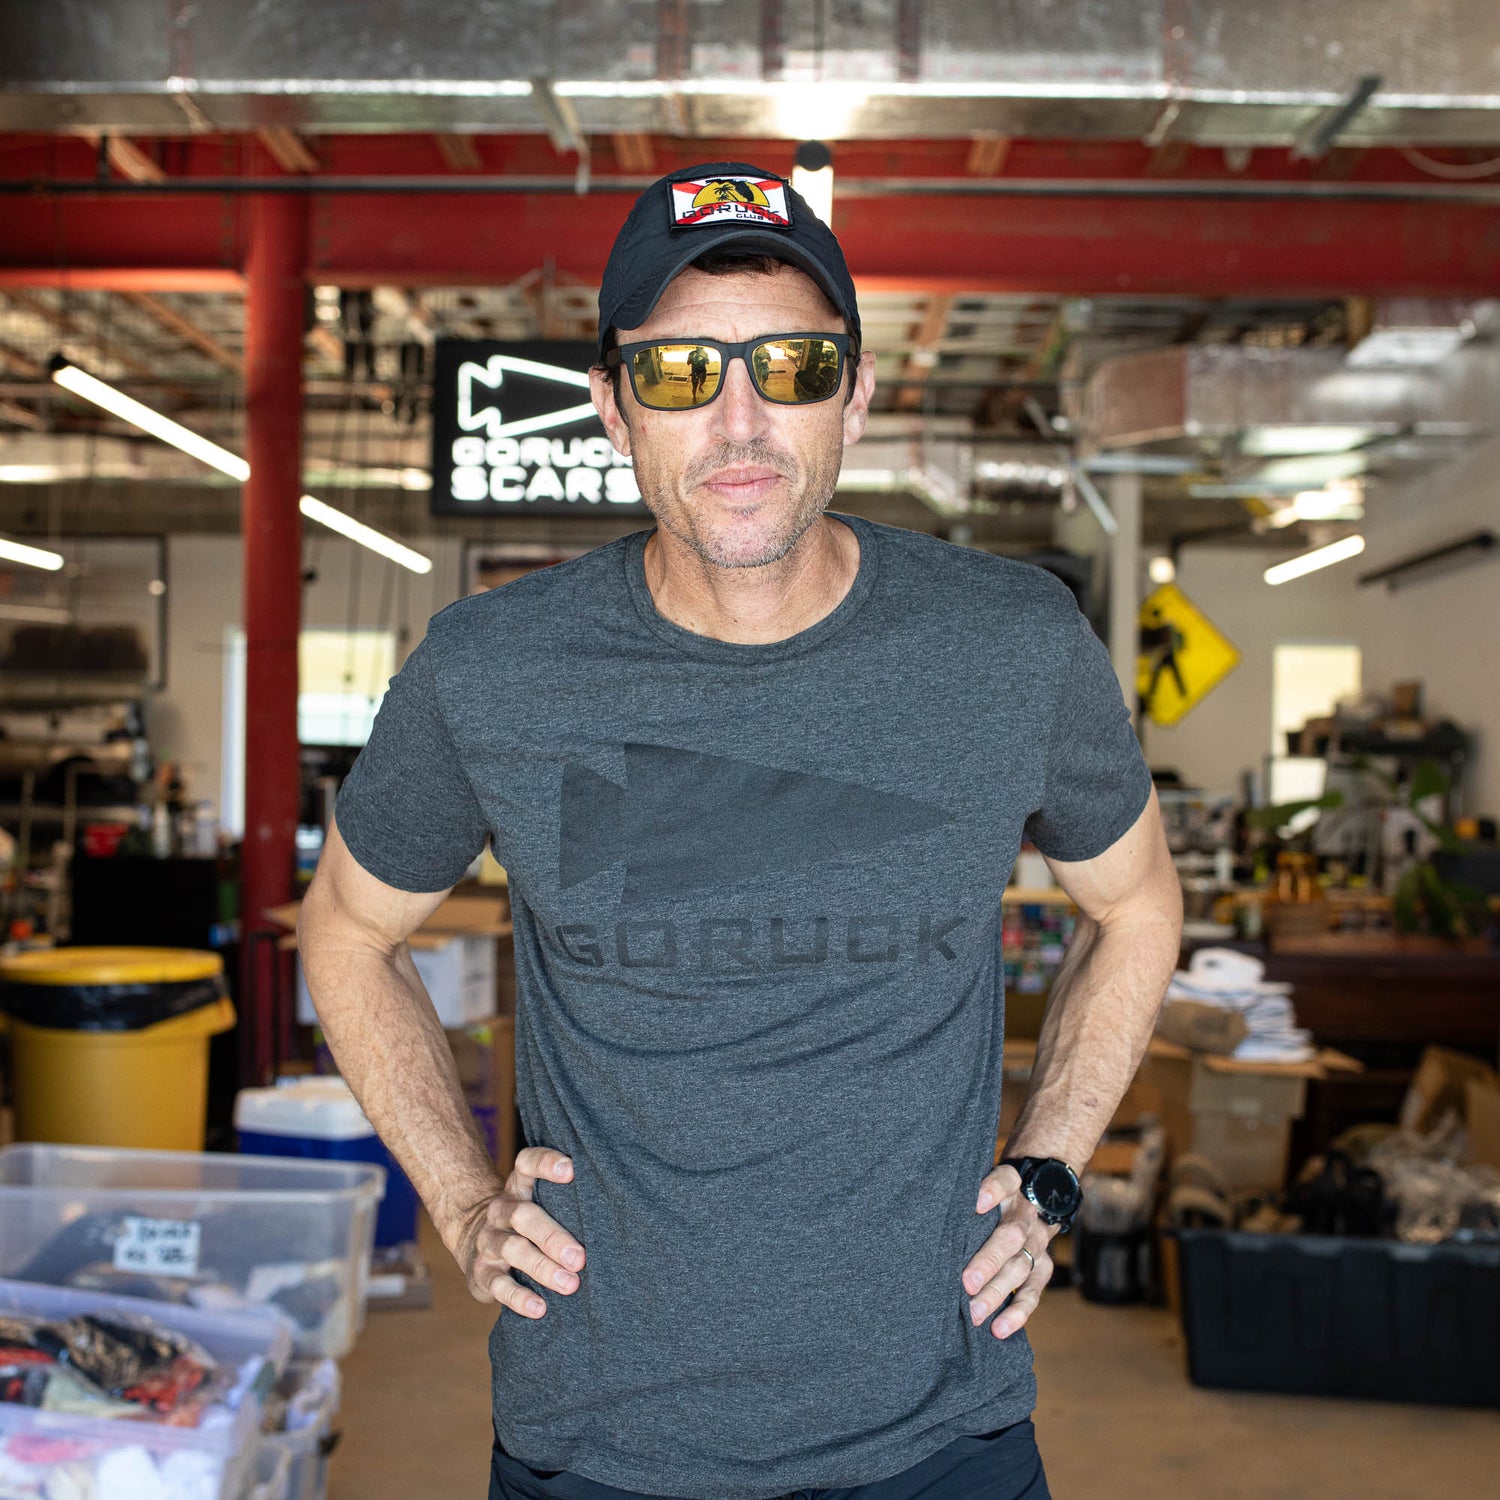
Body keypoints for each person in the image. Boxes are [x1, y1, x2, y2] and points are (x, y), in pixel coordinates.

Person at [299, 160, 1183, 1500]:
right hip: (601, 1442)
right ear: (610, 408)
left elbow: (1139, 904)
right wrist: (465, 1202)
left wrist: (1050, 1169)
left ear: (858, 394)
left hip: (941, 1436)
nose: (740, 419)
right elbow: (349, 933)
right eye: (679, 373)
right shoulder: (494, 669)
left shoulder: (1010, 644)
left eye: (792, 364)